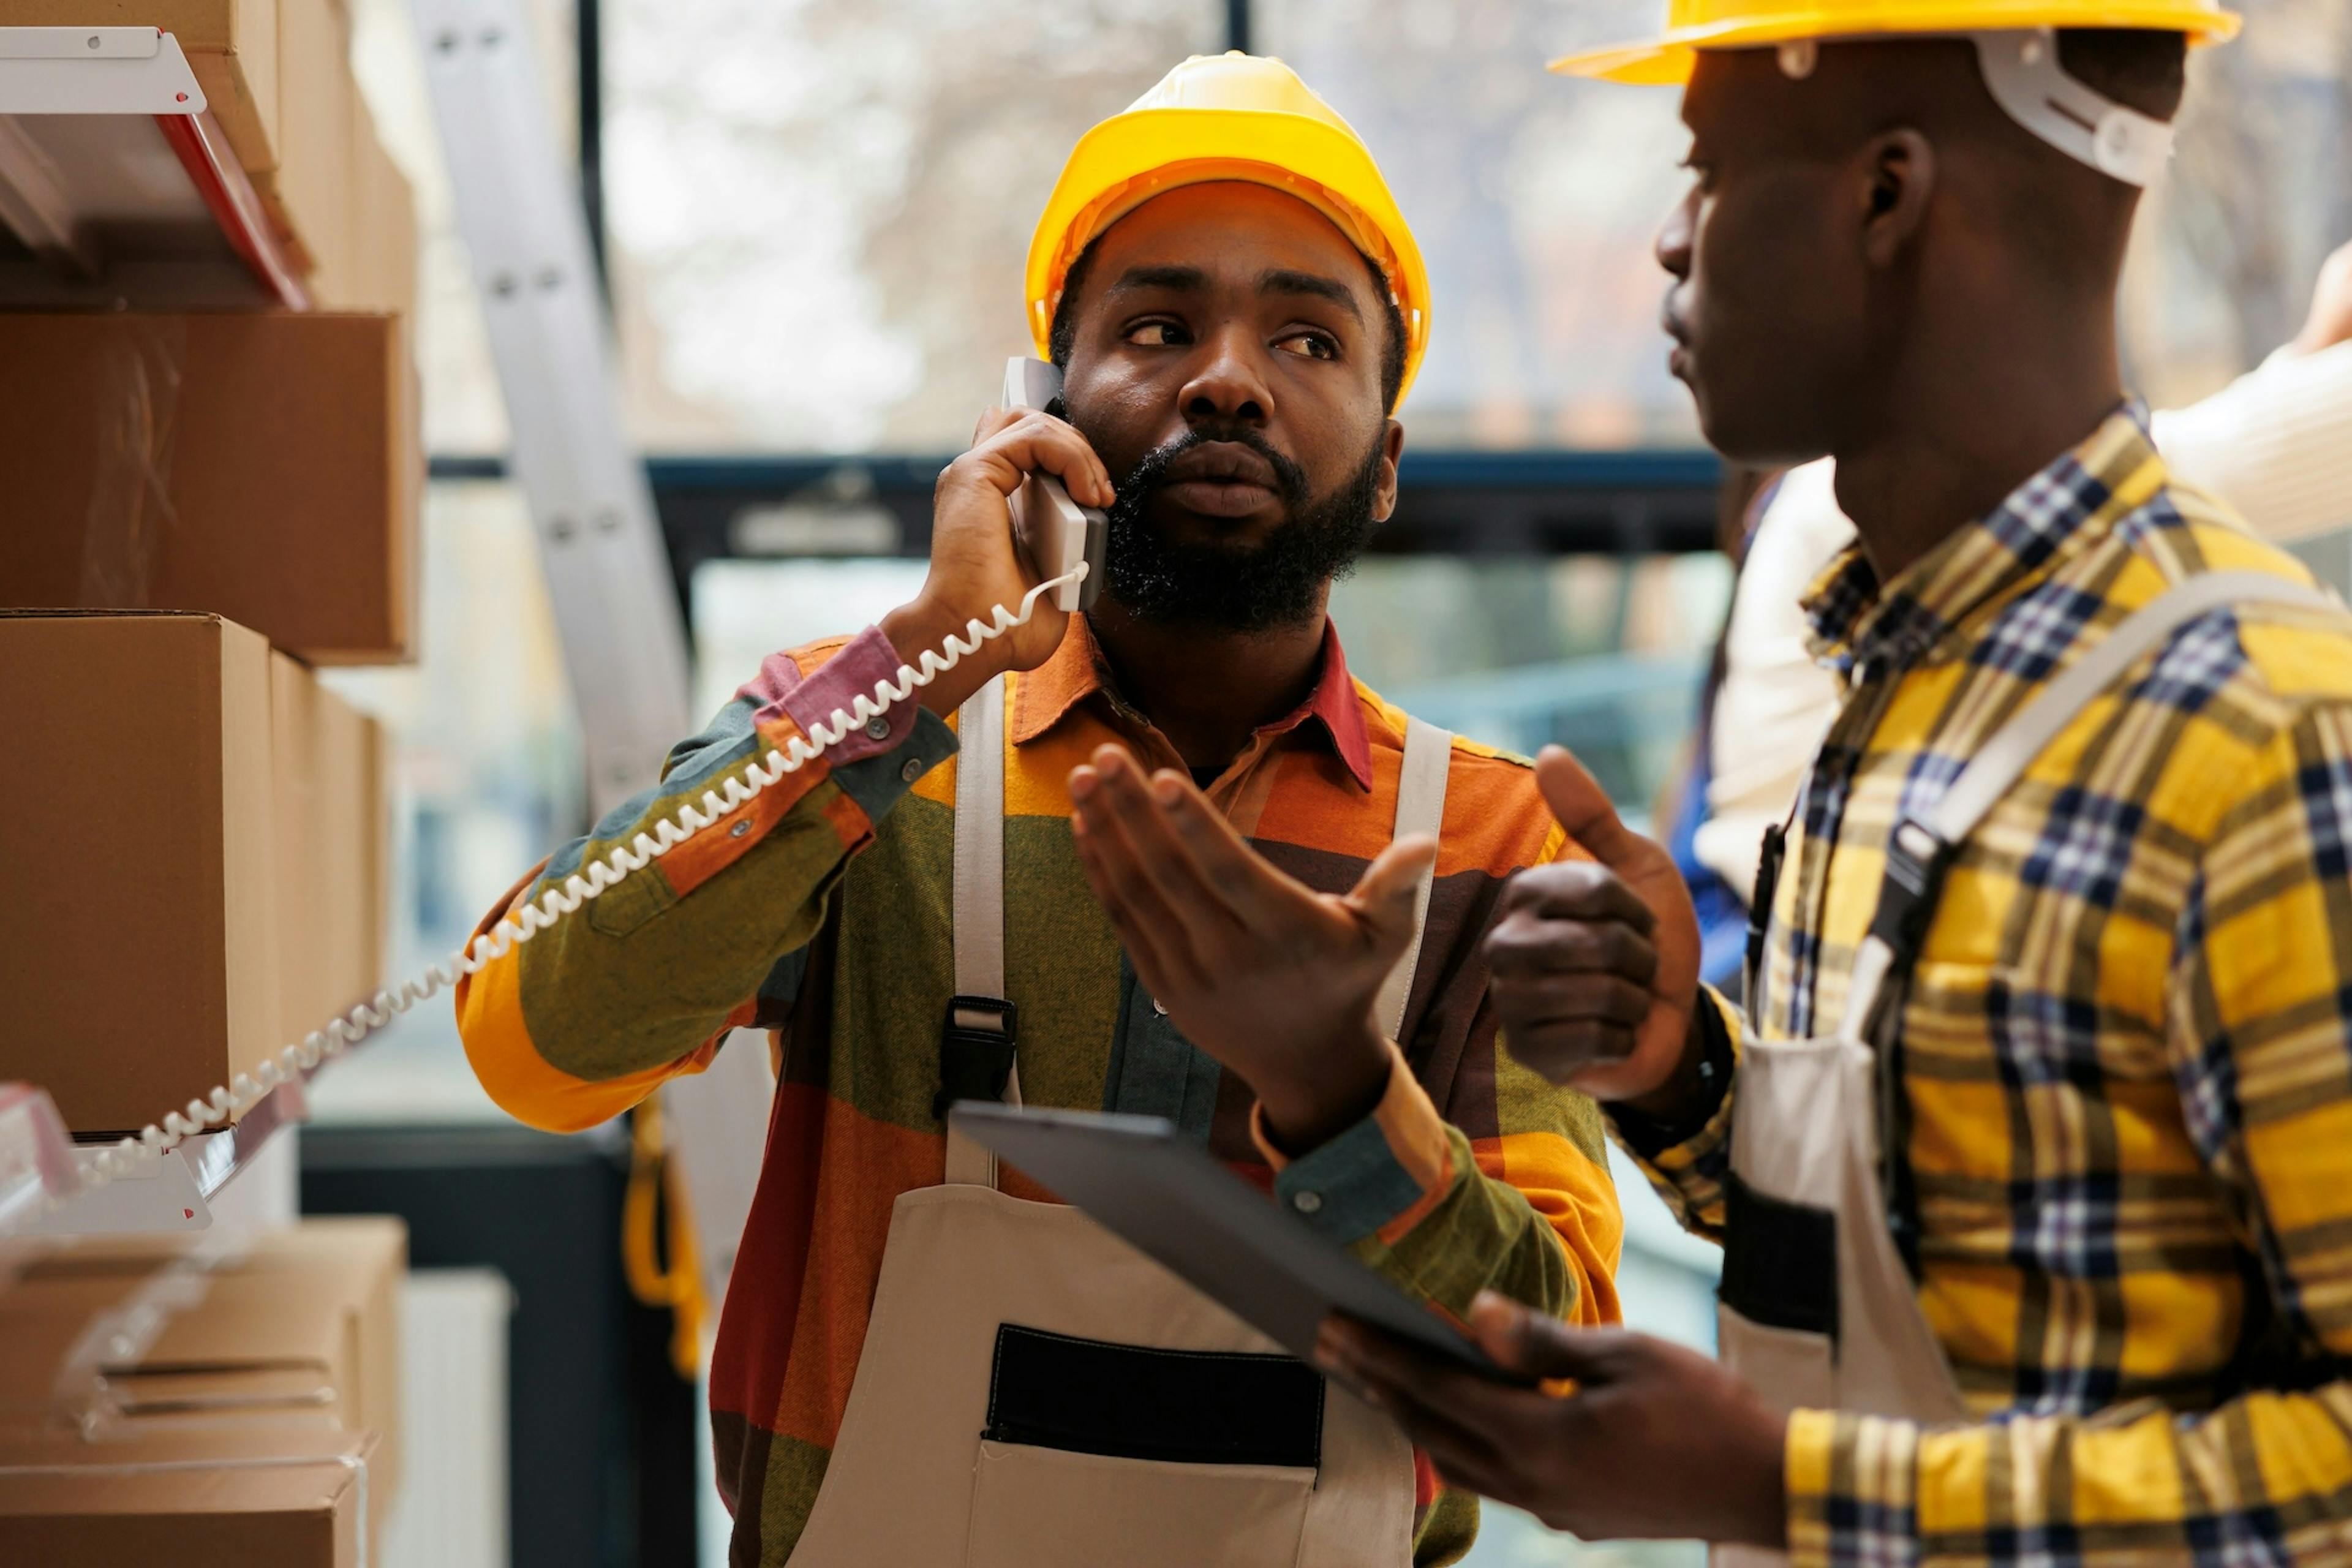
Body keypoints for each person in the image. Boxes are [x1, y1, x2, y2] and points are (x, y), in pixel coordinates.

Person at [453, 52, 1623, 1568]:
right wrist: (904, 677)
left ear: (1385, 466)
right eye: (1155, 325)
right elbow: (532, 1040)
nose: (1223, 375)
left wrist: (1346, 1099)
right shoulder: (862, 735)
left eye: (1307, 336)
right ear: (1043, 410)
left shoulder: (1488, 840)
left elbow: (1566, 1401)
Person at [1304, 3, 2352, 1564]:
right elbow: (1912, 1248)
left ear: (1886, 197)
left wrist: (1778, 1487)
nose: (1667, 244)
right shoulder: (1896, 684)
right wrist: (1680, 1070)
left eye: (1710, 171)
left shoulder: (2258, 731)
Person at [1693, 243, 2352, 925]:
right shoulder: (1846, 497)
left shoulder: (1815, 505)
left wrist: (2310, 357)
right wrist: (2316, 364)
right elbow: (2163, 479)